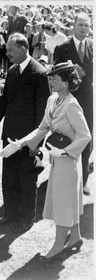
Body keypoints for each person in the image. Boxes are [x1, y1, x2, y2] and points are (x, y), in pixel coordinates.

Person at [0, 61, 91, 263]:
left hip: (68, 161)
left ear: (66, 82)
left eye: (55, 77)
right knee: (67, 200)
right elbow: (42, 128)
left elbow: (85, 136)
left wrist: (64, 152)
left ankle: (59, 245)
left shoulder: (72, 104)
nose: (50, 80)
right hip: (58, 160)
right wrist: (20, 144)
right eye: (50, 76)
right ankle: (74, 237)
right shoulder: (52, 100)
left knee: (63, 202)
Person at [0, 33, 50, 233]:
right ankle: (10, 213)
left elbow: (43, 113)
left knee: (27, 177)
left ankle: (27, 217)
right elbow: (4, 101)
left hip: (28, 138)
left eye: (10, 50)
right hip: (10, 135)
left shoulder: (39, 73)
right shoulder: (13, 71)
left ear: (23, 49)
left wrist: (36, 144)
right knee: (9, 176)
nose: (7, 54)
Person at [53, 12, 93, 195]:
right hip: (68, 101)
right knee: (65, 138)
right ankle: (62, 180)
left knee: (86, 139)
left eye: (87, 25)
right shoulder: (62, 48)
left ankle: (83, 180)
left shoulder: (92, 46)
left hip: (88, 102)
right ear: (73, 26)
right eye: (81, 25)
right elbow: (55, 77)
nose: (84, 28)